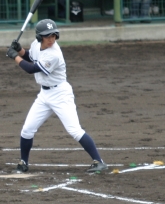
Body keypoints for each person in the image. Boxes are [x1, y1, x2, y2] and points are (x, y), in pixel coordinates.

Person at [6, 19, 108, 174]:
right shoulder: (36, 45)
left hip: (60, 94)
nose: (51, 39)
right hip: (44, 94)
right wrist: (19, 50)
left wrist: (14, 57)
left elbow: (31, 69)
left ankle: (99, 162)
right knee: (27, 130)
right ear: (40, 37)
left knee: (74, 130)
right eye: (48, 36)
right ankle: (23, 162)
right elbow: (30, 57)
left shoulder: (54, 53)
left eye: (53, 35)